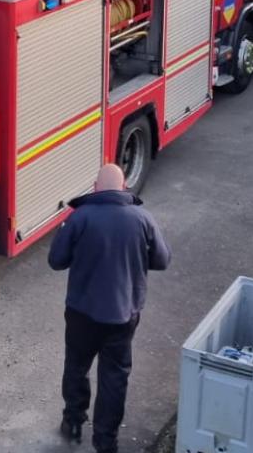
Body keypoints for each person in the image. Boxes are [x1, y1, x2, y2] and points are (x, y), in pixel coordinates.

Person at [48, 164, 171, 453]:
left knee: (76, 367)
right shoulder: (142, 218)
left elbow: (56, 261)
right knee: (114, 379)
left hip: (81, 313)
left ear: (95, 188)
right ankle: (106, 442)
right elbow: (163, 260)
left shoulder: (80, 218)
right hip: (124, 315)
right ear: (124, 186)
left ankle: (74, 423)